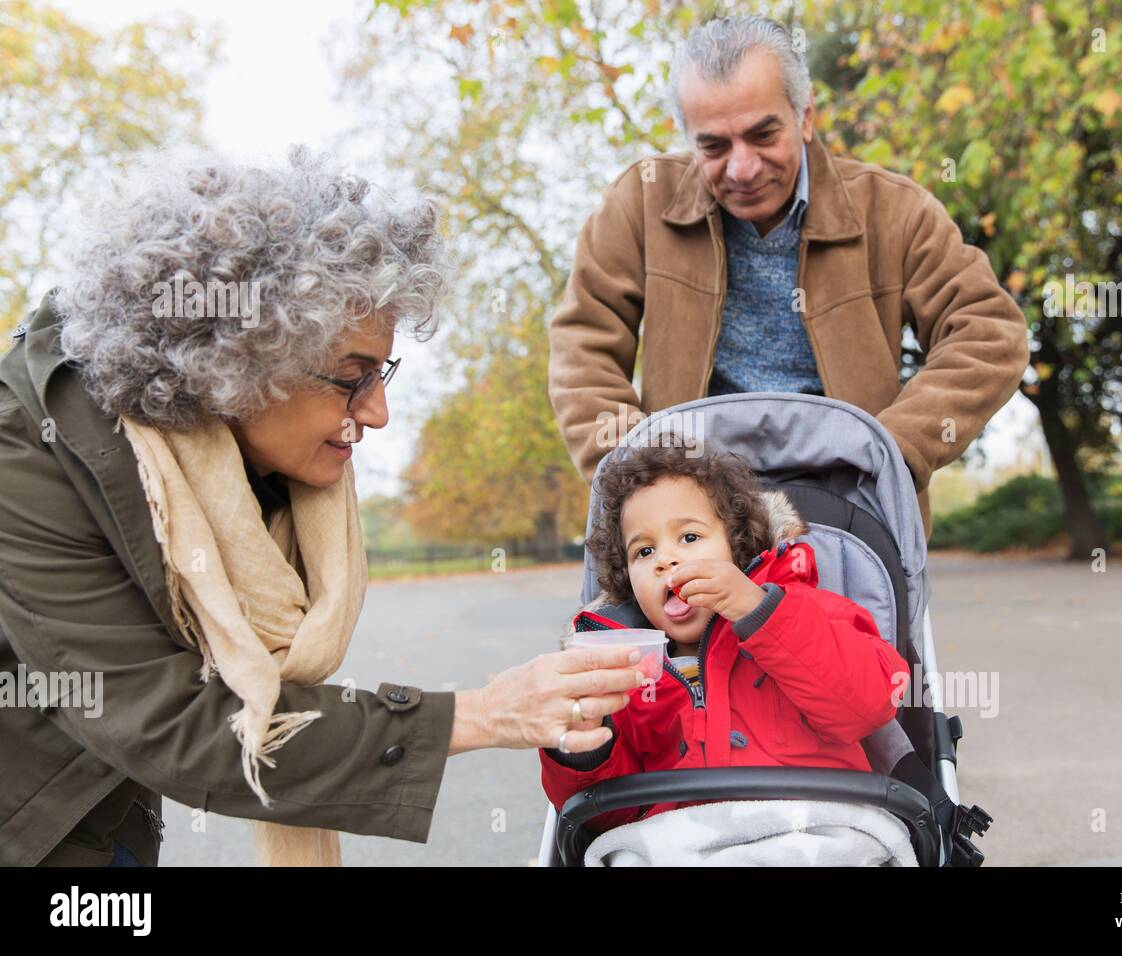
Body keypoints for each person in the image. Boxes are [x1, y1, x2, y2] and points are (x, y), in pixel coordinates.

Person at [0, 147, 640, 867]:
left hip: (104, 812)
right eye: (351, 378)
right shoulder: (24, 454)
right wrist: (483, 714)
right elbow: (175, 722)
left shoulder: (237, 448)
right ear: (240, 362)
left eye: (382, 372)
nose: (379, 414)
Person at [547, 15, 1031, 540]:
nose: (742, 168)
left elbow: (989, 333)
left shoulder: (895, 210)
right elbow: (582, 347)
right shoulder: (637, 203)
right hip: (689, 511)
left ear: (805, 116)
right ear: (687, 137)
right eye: (713, 146)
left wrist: (889, 451)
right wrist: (638, 480)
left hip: (853, 508)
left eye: (762, 134)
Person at [538, 440, 909, 835]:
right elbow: (603, 818)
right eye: (644, 551)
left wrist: (758, 610)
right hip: (682, 845)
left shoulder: (808, 610)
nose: (665, 560)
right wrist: (584, 747)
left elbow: (870, 705)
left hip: (816, 831)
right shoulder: (625, 669)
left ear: (736, 546)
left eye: (690, 538)